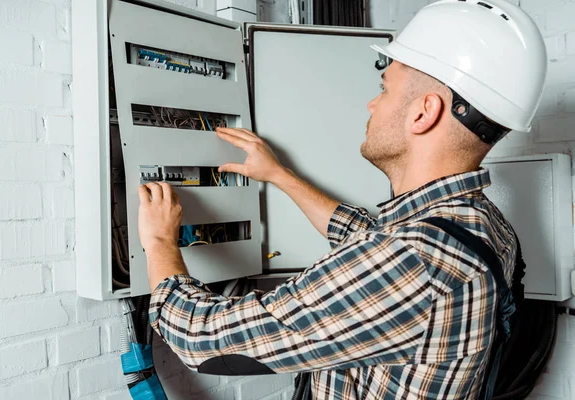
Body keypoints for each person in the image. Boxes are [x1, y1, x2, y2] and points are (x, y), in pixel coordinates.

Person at [137, 0, 547, 398]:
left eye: (384, 88)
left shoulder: (416, 259)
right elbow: (367, 239)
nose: (372, 103)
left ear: (424, 113)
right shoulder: (480, 224)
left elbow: (201, 338)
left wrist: (158, 243)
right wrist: (280, 175)